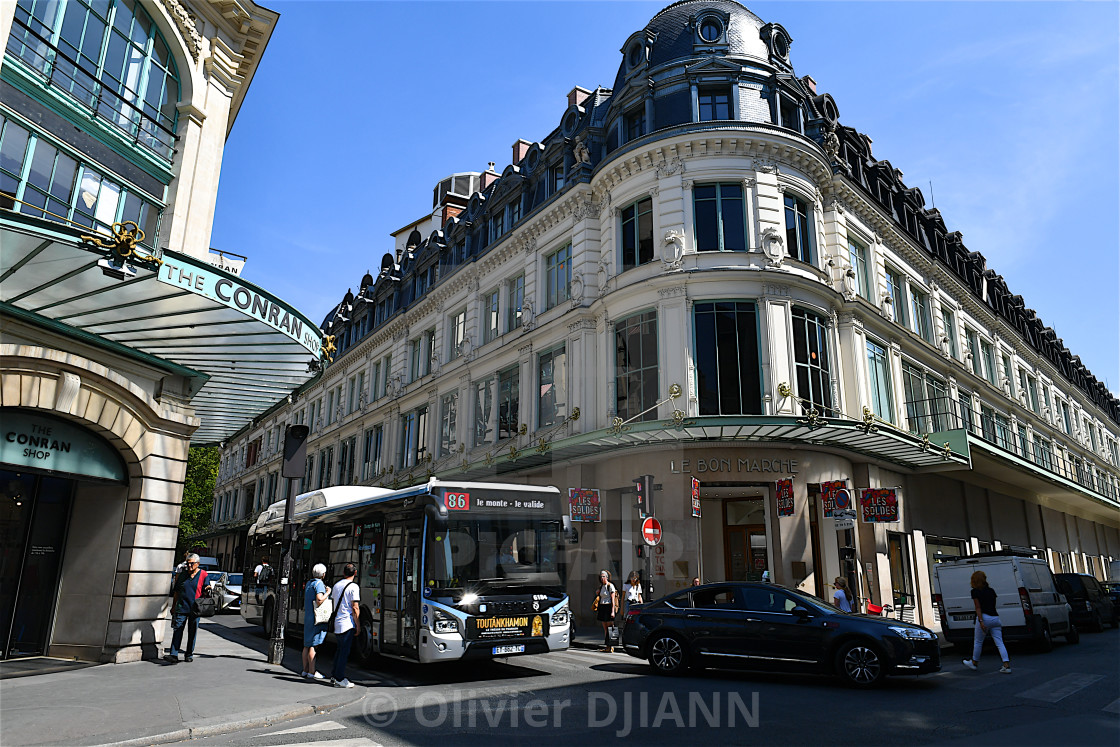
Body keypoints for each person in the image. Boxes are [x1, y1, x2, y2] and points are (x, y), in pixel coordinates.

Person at [964, 570, 1011, 674]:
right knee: (999, 642)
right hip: (995, 618)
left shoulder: (975, 592)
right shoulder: (991, 591)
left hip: (984, 617)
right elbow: (993, 605)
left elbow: (978, 607)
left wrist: (981, 621)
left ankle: (974, 662)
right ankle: (1006, 665)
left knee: (978, 641)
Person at [165, 553, 208, 663]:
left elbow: (206, 587)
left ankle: (189, 654)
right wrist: (174, 606)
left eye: (191, 564)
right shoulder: (183, 575)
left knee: (192, 632)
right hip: (181, 607)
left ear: (197, 564)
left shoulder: (203, 574)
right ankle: (174, 654)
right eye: (187, 564)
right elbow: (176, 592)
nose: (189, 566)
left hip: (195, 609)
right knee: (177, 630)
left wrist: (208, 588)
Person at [330, 563, 361, 688]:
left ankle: (334, 675)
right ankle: (339, 678)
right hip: (347, 623)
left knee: (339, 650)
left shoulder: (337, 585)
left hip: (337, 622)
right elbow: (355, 607)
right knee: (344, 652)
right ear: (355, 573)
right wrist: (358, 625)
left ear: (343, 573)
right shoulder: (354, 587)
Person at [302, 563, 329, 680]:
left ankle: (305, 670)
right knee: (313, 645)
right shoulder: (319, 584)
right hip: (316, 618)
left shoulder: (309, 583)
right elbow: (319, 599)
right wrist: (328, 592)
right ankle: (312, 672)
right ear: (323, 574)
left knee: (306, 645)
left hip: (308, 616)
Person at [595, 570, 618, 652]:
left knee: (610, 628)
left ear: (607, 577)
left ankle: (611, 646)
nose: (602, 578)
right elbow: (600, 596)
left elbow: (613, 599)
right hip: (602, 606)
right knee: (605, 628)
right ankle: (607, 646)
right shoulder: (601, 587)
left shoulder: (610, 586)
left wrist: (612, 611)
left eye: (603, 576)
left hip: (608, 607)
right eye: (601, 576)